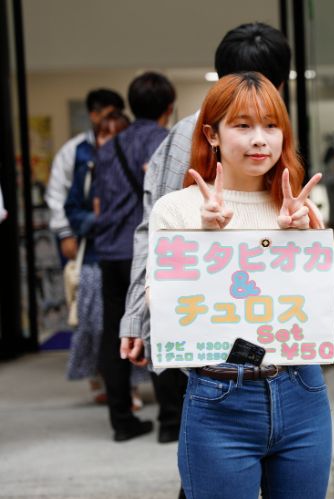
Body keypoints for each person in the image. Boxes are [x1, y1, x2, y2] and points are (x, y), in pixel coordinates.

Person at [149, 72, 331, 499]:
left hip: (302, 388)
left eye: (271, 125)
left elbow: (320, 311)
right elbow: (165, 308)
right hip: (219, 396)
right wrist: (204, 236)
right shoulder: (177, 210)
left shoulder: (300, 206)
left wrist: (299, 238)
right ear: (212, 134)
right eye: (243, 125)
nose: (260, 140)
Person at [118, 24, 293, 445]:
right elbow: (156, 233)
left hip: (254, 321)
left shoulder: (270, 135)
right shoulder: (189, 137)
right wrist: (139, 316)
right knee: (210, 446)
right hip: (204, 321)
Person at [94, 72, 175, 442]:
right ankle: (170, 422)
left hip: (110, 250)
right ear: (169, 109)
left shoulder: (108, 146)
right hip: (147, 251)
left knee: (116, 331)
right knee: (162, 327)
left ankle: (121, 420)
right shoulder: (166, 143)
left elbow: (97, 202)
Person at [64, 110, 134, 403]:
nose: (109, 141)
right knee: (98, 327)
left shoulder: (137, 167)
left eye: (116, 135)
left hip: (130, 254)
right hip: (96, 256)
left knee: (128, 326)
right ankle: (108, 385)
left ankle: (126, 390)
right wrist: (98, 220)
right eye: (104, 134)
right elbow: (73, 208)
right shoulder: (89, 169)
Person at [45, 89, 125, 261]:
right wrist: (65, 234)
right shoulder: (75, 149)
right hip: (82, 238)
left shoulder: (128, 148)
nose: (114, 119)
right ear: (94, 115)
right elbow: (57, 193)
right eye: (110, 114)